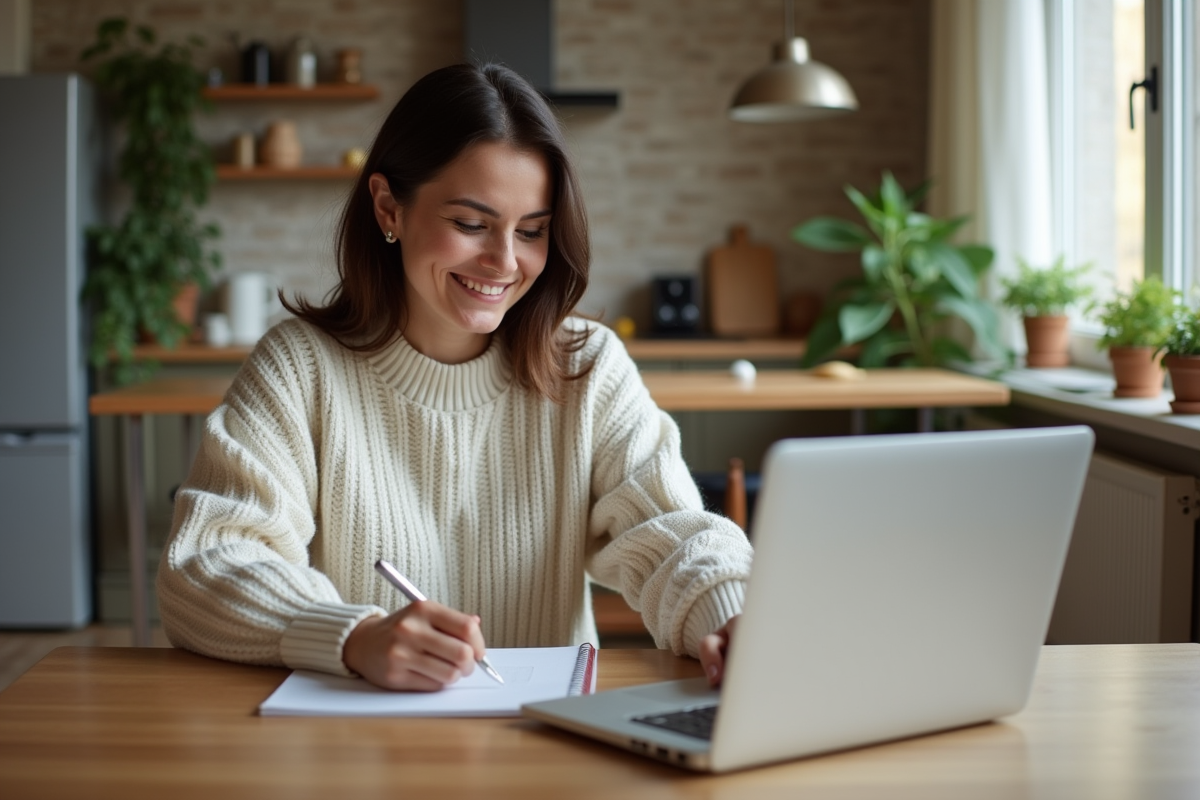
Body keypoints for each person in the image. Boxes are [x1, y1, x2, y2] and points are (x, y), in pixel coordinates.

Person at [157, 63, 753, 691]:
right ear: (389, 207)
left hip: (545, 750)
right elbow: (207, 563)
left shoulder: (588, 366)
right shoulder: (300, 368)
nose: (503, 262)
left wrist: (732, 616)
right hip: (362, 753)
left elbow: (670, 533)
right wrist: (351, 636)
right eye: (470, 224)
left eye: (532, 231)